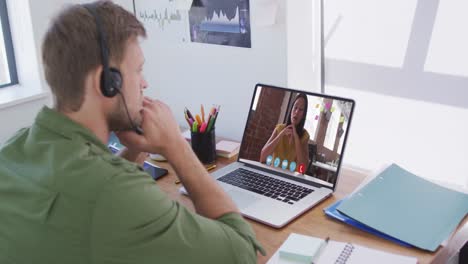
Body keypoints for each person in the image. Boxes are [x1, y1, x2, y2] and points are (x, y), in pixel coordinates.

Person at [0, 1, 263, 263]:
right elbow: (243, 251)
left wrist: (137, 147)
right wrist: (176, 146)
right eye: (138, 70)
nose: (145, 83)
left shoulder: (13, 151)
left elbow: (91, 190)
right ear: (107, 82)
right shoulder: (115, 194)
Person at [260, 93, 310, 168]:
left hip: (290, 178)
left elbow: (303, 168)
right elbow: (262, 158)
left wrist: (296, 137)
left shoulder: (305, 136)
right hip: (273, 173)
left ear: (304, 114)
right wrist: (281, 134)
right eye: (295, 107)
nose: (296, 112)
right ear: (291, 109)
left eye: (301, 110)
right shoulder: (279, 128)